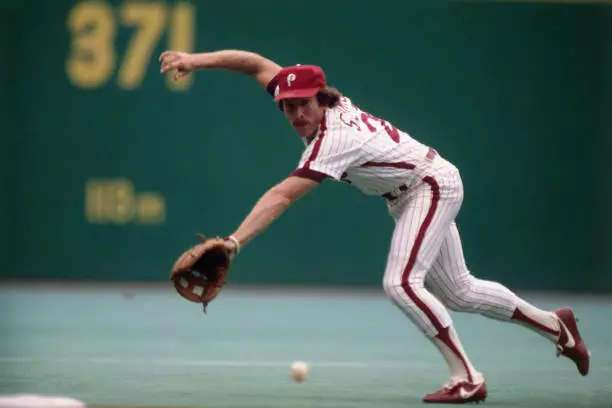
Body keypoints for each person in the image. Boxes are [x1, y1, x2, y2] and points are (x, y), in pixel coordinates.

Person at [159, 49, 590, 404]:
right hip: (413, 192)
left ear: (322, 98)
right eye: (287, 106)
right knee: (458, 290)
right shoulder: (311, 109)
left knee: (401, 284)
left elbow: (282, 195)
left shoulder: (335, 138)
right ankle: (557, 326)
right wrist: (196, 60)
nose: (295, 114)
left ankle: (467, 377)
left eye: (303, 104)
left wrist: (234, 242)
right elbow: (255, 64)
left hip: (429, 185)